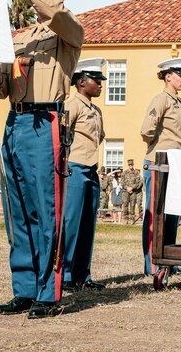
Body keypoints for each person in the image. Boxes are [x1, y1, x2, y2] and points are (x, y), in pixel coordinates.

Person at [0, 0, 84, 319]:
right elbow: (3, 89)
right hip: (17, 121)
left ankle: (48, 292)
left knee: (47, 211)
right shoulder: (19, 39)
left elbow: (53, 14)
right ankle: (24, 289)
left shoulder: (68, 31)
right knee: (18, 212)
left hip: (47, 122)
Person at [140, 57, 181, 276]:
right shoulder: (161, 99)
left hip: (175, 163)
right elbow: (146, 130)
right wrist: (159, 145)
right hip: (158, 162)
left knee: (172, 215)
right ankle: (152, 263)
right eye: (180, 75)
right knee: (155, 213)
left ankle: (169, 260)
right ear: (168, 76)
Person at [63, 58, 107, 292]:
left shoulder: (95, 109)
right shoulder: (72, 104)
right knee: (72, 224)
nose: (100, 84)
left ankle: (83, 274)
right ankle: (67, 275)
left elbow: (98, 138)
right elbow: (61, 136)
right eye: (96, 80)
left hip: (91, 170)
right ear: (81, 82)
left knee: (88, 225)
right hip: (75, 168)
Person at [121, 159, 143, 224]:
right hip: (125, 192)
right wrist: (127, 188)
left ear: (133, 165)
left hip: (133, 192)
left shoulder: (136, 173)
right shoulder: (124, 173)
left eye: (132, 164)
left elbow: (138, 182)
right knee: (125, 205)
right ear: (128, 165)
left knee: (132, 206)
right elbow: (122, 182)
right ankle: (125, 219)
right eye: (129, 165)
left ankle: (131, 219)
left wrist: (132, 188)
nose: (131, 166)